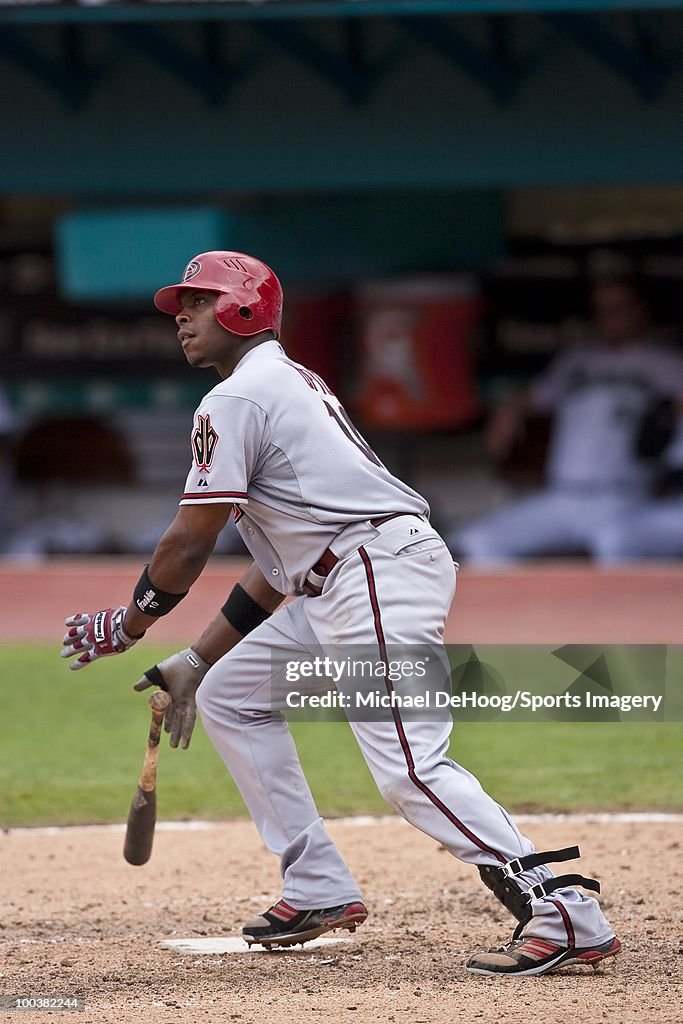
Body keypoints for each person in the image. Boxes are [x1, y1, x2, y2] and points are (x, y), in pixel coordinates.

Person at [61, 251, 621, 976]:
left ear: (240, 309)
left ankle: (565, 911)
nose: (182, 320)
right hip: (343, 575)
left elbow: (187, 540)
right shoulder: (275, 383)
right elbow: (275, 567)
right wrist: (198, 659)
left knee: (409, 769)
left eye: (198, 303)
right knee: (231, 694)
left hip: (372, 572)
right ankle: (316, 885)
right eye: (181, 307)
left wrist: (126, 625)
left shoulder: (237, 398)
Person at [451, 277, 683, 564]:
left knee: (617, 544)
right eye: (601, 310)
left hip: (625, 497)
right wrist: (507, 415)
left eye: (618, 308)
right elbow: (527, 401)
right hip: (564, 495)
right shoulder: (575, 361)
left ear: (641, 311)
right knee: (479, 542)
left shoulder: (667, 363)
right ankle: (525, 610)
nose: (608, 318)